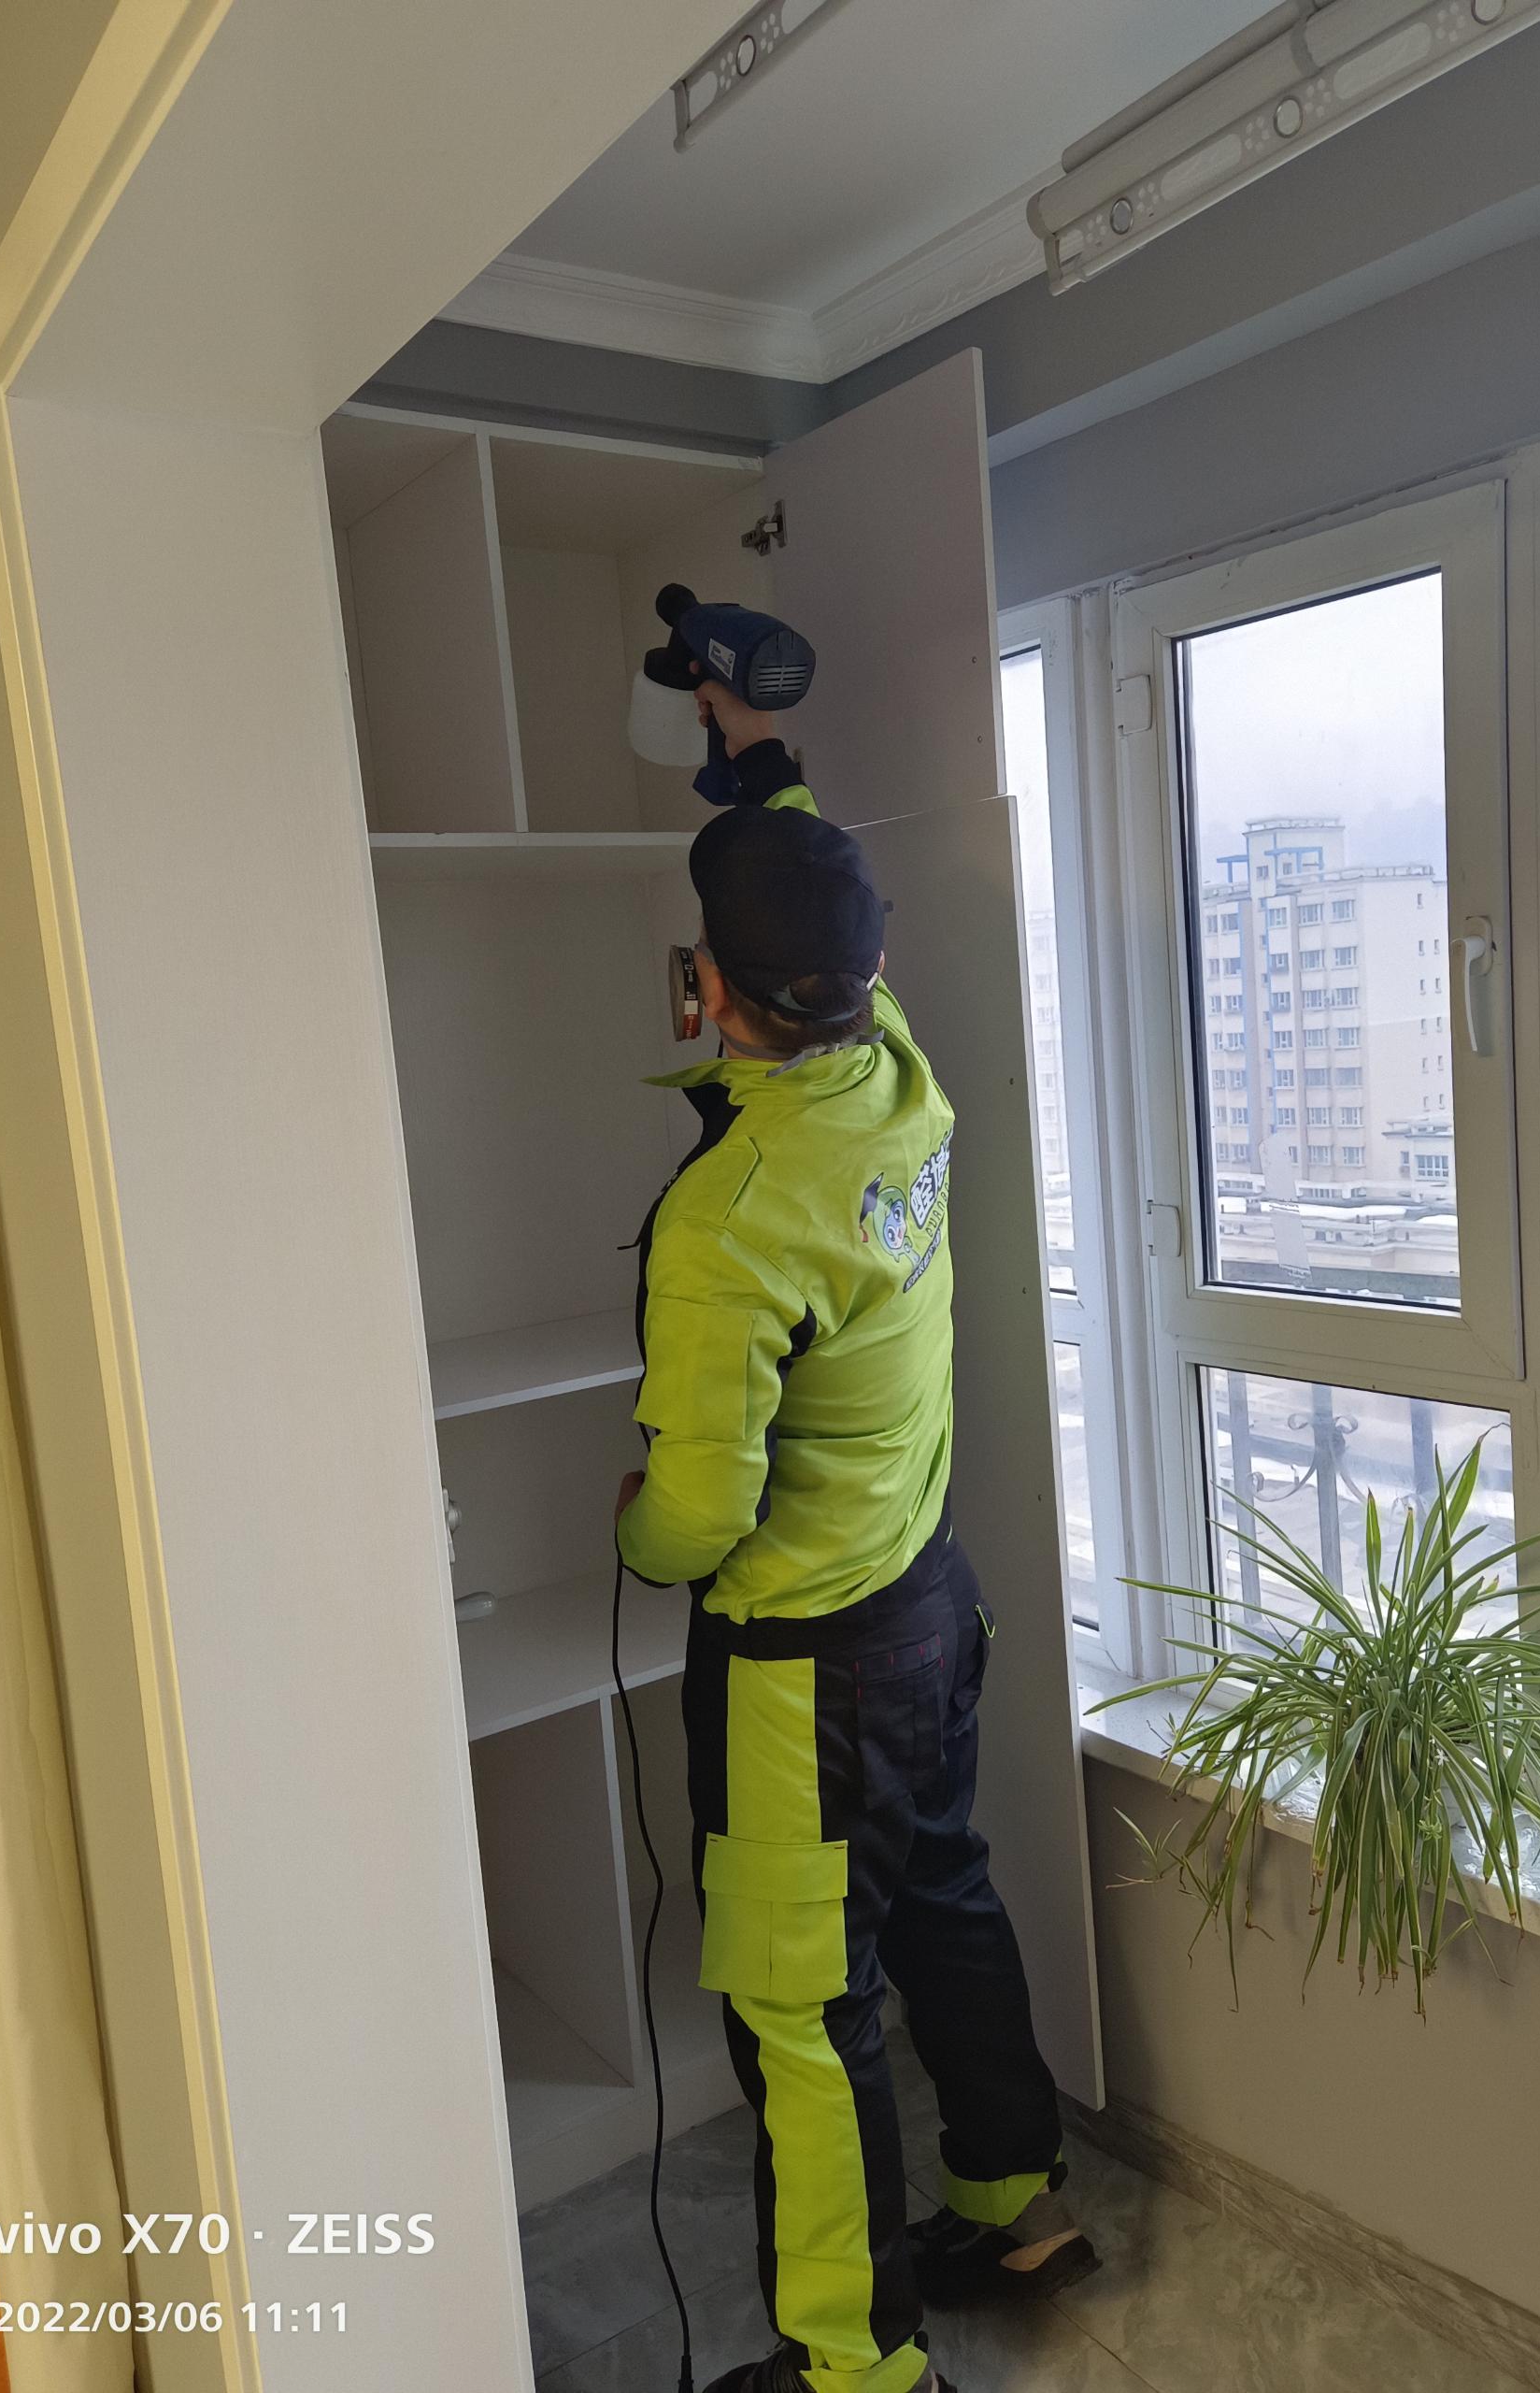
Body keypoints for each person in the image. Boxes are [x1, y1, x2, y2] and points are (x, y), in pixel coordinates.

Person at [615, 682, 1094, 2393]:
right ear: (865, 972)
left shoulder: (731, 1217)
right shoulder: (899, 1074)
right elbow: (824, 894)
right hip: (927, 1609)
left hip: (803, 1680)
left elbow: (695, 1521)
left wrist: (637, 1526)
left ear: (706, 989)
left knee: (802, 2014)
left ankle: (855, 2368)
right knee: (945, 1895)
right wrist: (761, 755)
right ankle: (1016, 2202)